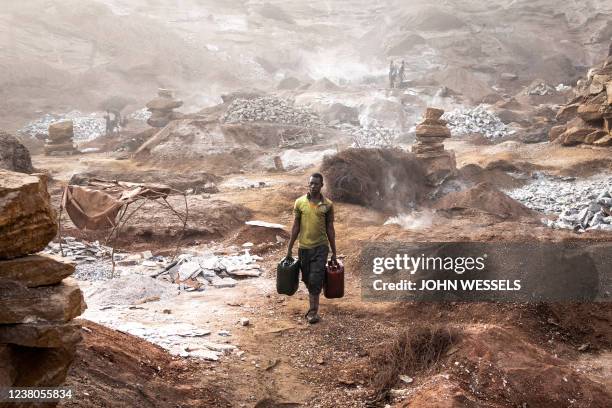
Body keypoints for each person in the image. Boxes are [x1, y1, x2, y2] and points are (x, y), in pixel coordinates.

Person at [287, 173, 337, 324]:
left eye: (316, 184)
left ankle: (313, 312)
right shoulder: (299, 202)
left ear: (322, 185)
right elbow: (296, 226)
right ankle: (316, 289)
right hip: (304, 248)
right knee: (308, 279)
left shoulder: (328, 205)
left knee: (315, 279)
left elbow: (330, 228)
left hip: (321, 247)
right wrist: (289, 247)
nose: (313, 186)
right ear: (308, 185)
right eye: (311, 183)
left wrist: (334, 251)